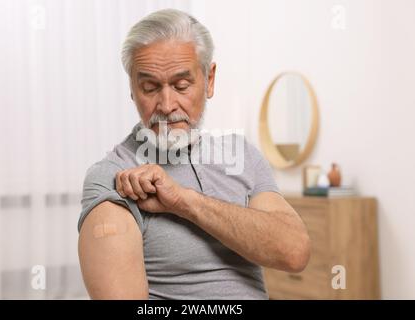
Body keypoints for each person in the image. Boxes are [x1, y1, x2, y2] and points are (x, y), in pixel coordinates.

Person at [77, 8, 310, 300]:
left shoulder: (243, 155)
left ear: (209, 79)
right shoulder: (112, 178)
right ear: (132, 88)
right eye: (149, 87)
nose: (166, 104)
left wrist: (183, 201)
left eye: (181, 85)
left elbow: (294, 252)